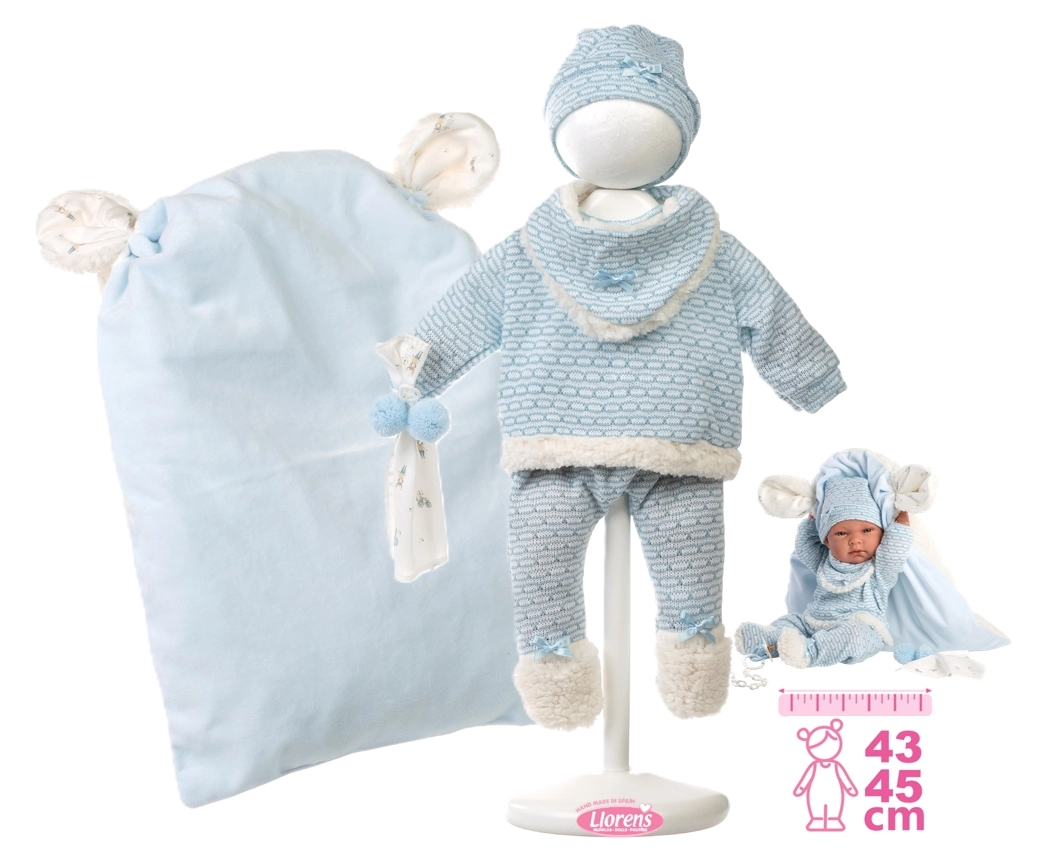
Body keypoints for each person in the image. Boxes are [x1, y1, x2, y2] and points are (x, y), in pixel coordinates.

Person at [735, 477, 912, 668]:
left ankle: (809, 653)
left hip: (860, 624)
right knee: (791, 622)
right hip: (813, 622)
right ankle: (765, 641)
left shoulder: (879, 569)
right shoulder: (824, 562)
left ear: (882, 535)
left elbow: (894, 551)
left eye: (867, 530)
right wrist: (811, 521)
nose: (855, 540)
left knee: (856, 636)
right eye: (842, 533)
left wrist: (902, 521)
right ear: (827, 540)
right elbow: (805, 545)